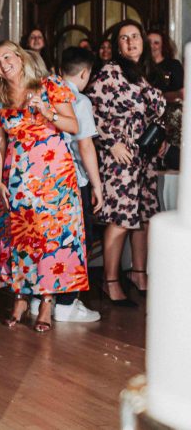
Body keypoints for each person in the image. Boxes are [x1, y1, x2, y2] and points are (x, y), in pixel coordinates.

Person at [0, 40, 88, 332]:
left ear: (19, 57)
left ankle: (46, 301)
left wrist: (46, 110)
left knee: (50, 238)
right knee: (18, 236)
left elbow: (73, 126)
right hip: (16, 173)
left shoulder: (50, 85)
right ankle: (19, 296)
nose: (3, 64)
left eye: (7, 57)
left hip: (54, 174)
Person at [86, 21, 165, 305]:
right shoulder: (110, 72)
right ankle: (110, 281)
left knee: (143, 218)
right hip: (121, 156)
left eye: (135, 37)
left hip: (145, 156)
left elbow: (152, 113)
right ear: (117, 46)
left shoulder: (146, 74)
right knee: (120, 220)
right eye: (124, 38)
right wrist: (111, 141)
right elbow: (89, 111)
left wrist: (160, 137)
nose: (131, 42)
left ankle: (139, 273)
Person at [27, 46, 104, 323]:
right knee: (75, 241)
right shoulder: (79, 100)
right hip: (72, 180)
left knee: (46, 239)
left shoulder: (40, 92)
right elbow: (85, 145)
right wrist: (97, 184)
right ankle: (67, 303)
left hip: (42, 180)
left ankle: (39, 299)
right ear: (85, 73)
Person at [147, 29, 183, 103]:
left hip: (168, 109)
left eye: (156, 43)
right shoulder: (140, 65)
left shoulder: (173, 65)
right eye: (148, 42)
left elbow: (181, 92)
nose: (151, 46)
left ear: (163, 46)